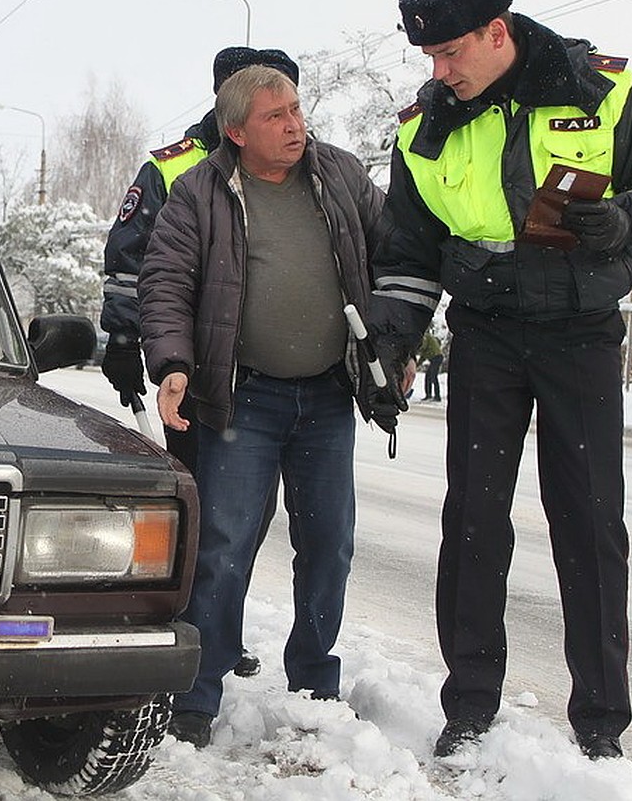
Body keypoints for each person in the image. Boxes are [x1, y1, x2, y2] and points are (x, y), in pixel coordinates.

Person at [370, 0, 632, 761]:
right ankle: (469, 703)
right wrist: (394, 341)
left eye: (451, 53)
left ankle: (601, 723)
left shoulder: (602, 89)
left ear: (498, 33)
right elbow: (407, 252)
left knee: (590, 521)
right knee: (472, 518)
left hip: (580, 331)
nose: (439, 72)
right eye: (428, 58)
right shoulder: (422, 130)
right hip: (487, 333)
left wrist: (626, 222)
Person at [138, 63, 399, 748]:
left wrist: (391, 343)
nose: (294, 125)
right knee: (222, 546)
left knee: (329, 545)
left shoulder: (339, 175)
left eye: (296, 110)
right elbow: (164, 282)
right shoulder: (200, 191)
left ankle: (315, 679)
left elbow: (396, 246)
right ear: (236, 131)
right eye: (275, 117)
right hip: (242, 398)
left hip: (326, 395)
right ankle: (197, 691)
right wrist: (170, 365)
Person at [100, 46, 301, 679]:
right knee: (199, 511)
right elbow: (130, 259)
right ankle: (181, 629)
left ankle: (216, 630)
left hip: (266, 379)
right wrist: (125, 341)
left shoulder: (294, 169)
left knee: (246, 518)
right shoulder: (175, 169)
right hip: (189, 373)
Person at [417, 330, 443, 401]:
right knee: (428, 377)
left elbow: (423, 347)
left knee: (433, 376)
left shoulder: (425, 336)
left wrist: (416, 348)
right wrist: (416, 365)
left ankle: (437, 397)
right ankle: (428, 395)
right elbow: (423, 357)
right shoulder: (426, 338)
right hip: (434, 358)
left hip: (437, 357)